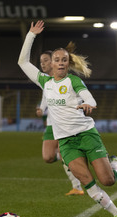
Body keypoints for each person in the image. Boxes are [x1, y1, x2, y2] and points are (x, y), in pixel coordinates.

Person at [18, 20, 117, 217]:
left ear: (68, 64)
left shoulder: (74, 81)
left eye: (64, 60)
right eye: (57, 59)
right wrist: (31, 35)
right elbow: (23, 63)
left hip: (86, 134)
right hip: (66, 142)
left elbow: (90, 98)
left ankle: (114, 163)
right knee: (87, 182)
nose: (60, 63)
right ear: (51, 63)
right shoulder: (45, 82)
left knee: (108, 180)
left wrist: (88, 105)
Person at [36, 50, 84, 196]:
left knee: (65, 154)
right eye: (41, 62)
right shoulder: (46, 80)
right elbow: (46, 96)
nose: (43, 64)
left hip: (66, 123)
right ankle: (73, 156)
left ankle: (77, 187)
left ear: (52, 61)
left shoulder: (68, 80)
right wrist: (41, 108)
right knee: (48, 157)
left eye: (45, 60)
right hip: (51, 124)